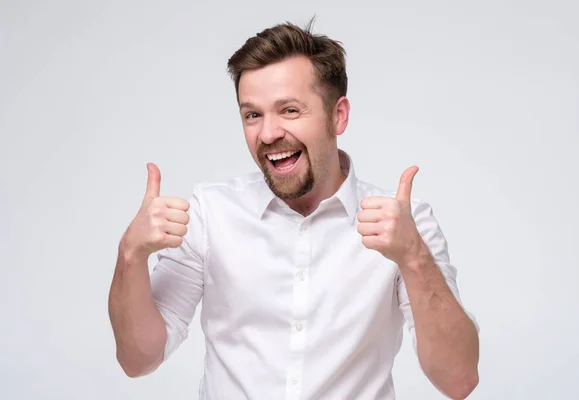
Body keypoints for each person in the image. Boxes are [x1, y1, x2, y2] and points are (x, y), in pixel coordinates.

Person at [108, 18, 480, 400]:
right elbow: (138, 360)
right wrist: (130, 254)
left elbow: (458, 379)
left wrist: (414, 258)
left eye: (289, 110)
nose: (268, 134)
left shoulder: (405, 224)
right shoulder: (209, 213)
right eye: (253, 114)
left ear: (339, 116)